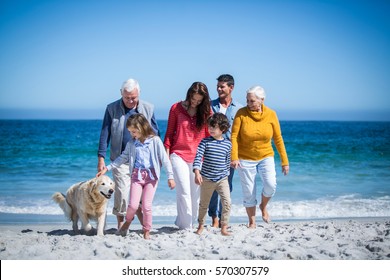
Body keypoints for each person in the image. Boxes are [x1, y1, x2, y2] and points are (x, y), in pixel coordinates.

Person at [97, 114, 175, 239]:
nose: (132, 134)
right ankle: (128, 221)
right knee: (133, 205)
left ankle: (146, 230)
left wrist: (170, 177)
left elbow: (165, 160)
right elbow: (122, 158)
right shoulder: (132, 143)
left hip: (151, 177)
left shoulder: (155, 141)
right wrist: (107, 168)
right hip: (136, 177)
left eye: (134, 131)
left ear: (142, 127)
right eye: (130, 132)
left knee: (146, 205)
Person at [97, 78, 160, 230]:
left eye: (134, 97)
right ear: (121, 94)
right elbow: (105, 133)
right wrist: (101, 158)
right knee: (122, 192)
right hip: (120, 157)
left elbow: (156, 133)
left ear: (139, 94)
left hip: (142, 162)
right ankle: (121, 223)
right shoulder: (112, 108)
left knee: (138, 198)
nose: (131, 101)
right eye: (127, 98)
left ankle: (142, 225)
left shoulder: (148, 108)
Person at [230, 85, 289, 228]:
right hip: (245, 158)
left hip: (265, 155)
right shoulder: (241, 113)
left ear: (262, 100)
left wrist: (284, 161)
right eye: (247, 100)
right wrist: (234, 157)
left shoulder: (271, 114)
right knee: (249, 192)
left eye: (252, 101)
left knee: (271, 185)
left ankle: (263, 206)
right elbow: (234, 136)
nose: (248, 104)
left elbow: (278, 138)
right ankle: (252, 221)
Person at [163, 81, 211, 229]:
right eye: (193, 99)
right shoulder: (176, 108)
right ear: (189, 94)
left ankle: (184, 221)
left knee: (195, 196)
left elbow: (209, 137)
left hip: (198, 158)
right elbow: (169, 134)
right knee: (183, 191)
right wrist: (166, 157)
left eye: (199, 100)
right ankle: (186, 227)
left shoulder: (207, 112)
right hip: (178, 155)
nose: (195, 103)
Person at [208, 74, 243, 228]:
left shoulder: (240, 108)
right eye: (218, 86)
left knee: (226, 186)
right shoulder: (210, 106)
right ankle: (214, 217)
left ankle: (223, 218)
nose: (219, 89)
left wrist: (238, 155)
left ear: (231, 87)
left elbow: (242, 132)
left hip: (230, 153)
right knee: (212, 185)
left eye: (222, 86)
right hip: (212, 151)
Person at [193, 113, 232, 236]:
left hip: (222, 179)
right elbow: (198, 156)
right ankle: (200, 226)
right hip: (207, 178)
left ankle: (224, 227)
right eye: (209, 127)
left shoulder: (228, 144)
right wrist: (197, 172)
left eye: (213, 127)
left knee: (227, 203)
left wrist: (226, 173)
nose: (210, 129)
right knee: (204, 204)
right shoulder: (205, 142)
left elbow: (227, 161)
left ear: (223, 129)